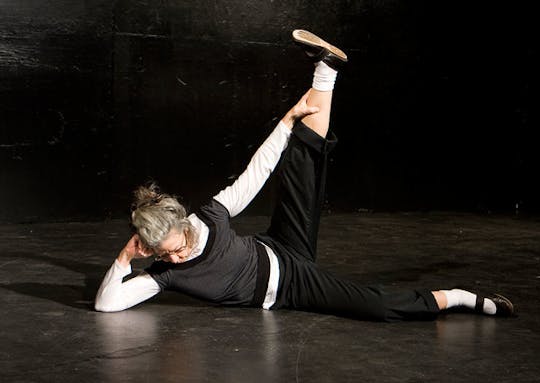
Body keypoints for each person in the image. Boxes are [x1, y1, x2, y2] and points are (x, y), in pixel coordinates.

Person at [95, 29, 515, 321]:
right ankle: (462, 297)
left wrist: (286, 120)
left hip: (280, 245)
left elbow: (256, 172)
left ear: (183, 224)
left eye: (176, 248)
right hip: (291, 284)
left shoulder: (211, 217)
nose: (175, 258)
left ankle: (327, 68)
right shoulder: (164, 274)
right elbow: (106, 305)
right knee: (377, 308)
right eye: (164, 254)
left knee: (300, 167)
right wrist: (127, 257)